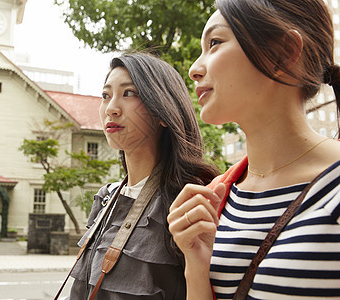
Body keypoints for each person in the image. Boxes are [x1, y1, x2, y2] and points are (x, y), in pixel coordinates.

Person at [168, 0, 340, 299]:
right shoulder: (217, 197)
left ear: (284, 52)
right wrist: (196, 264)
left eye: (215, 43)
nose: (195, 69)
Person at [67, 52, 219, 299]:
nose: (111, 108)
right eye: (105, 96)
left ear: (162, 110)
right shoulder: (106, 198)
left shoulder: (190, 201)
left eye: (129, 93)